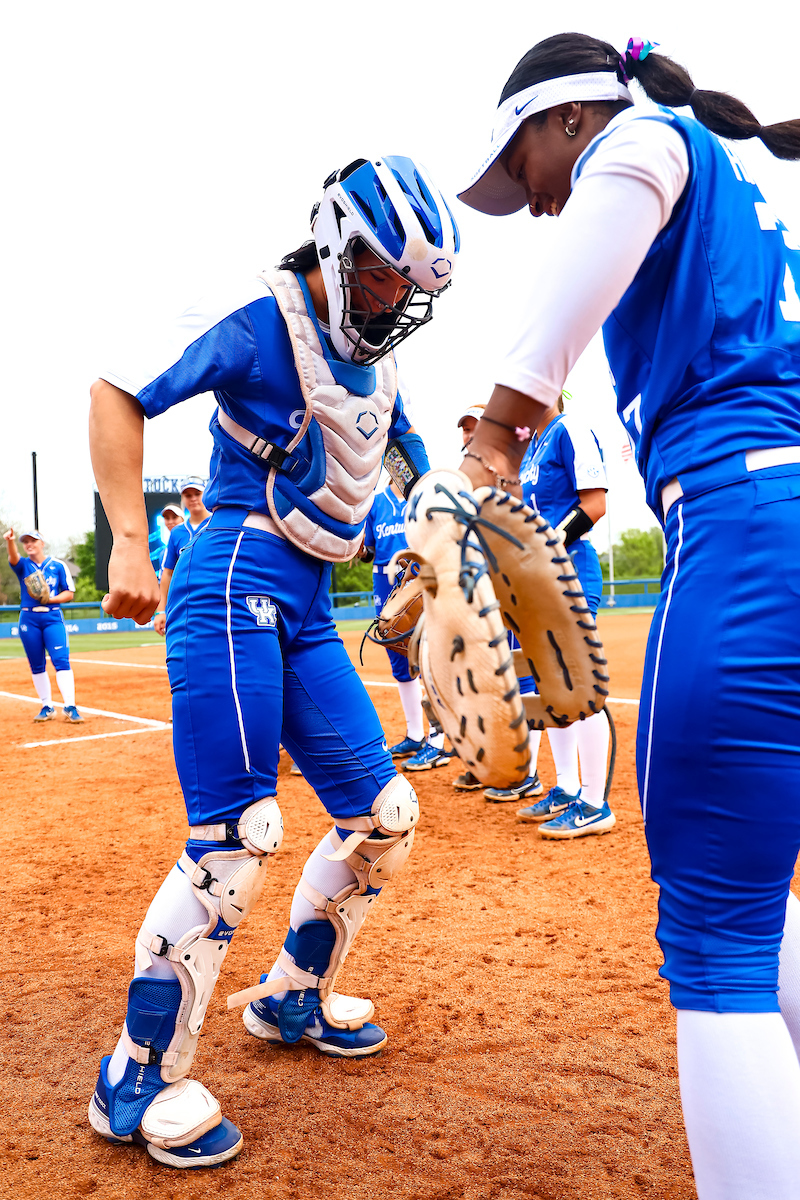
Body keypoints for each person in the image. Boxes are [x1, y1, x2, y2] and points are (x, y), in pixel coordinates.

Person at [457, 31, 800, 1200]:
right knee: (755, 890)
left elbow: (577, 274)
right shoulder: (752, 191)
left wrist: (497, 425)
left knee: (711, 939)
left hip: (752, 524)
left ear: (568, 120)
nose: (538, 203)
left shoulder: (646, 136)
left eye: (530, 172)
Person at [87, 154, 458, 1168]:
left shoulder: (377, 357)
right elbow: (117, 390)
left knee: (384, 822)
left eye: (407, 283)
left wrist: (414, 545)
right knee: (236, 835)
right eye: (381, 272)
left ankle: (292, 997)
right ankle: (136, 1077)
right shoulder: (258, 318)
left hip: (305, 599)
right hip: (231, 576)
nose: (392, 297)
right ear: (337, 247)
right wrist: (126, 539)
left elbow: (395, 461)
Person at [483, 394, 614, 837]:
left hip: (572, 571)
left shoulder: (570, 428)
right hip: (538, 581)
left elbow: (594, 504)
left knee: (579, 683)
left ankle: (596, 801)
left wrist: (547, 546)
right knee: (549, 686)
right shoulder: (534, 445)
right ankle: (568, 786)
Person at [362, 479, 446, 769]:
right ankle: (415, 734)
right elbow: (368, 550)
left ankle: (439, 740)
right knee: (397, 654)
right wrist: (357, 548)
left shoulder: (423, 496)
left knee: (428, 656)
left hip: (418, 582)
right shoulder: (376, 502)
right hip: (385, 585)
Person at [3, 528, 83, 723]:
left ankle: (70, 706)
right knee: (37, 664)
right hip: (29, 619)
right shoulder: (23, 565)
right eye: (26, 542)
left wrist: (50, 599)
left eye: (33, 541)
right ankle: (47, 706)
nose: (29, 544)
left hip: (52, 617)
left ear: (42, 543)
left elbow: (69, 593)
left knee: (61, 660)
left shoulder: (57, 565)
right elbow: (13, 557)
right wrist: (10, 541)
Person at [153, 480, 211, 635]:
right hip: (183, 603)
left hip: (213, 601)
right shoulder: (177, 532)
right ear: (183, 499)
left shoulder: (218, 524)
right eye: (188, 495)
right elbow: (167, 573)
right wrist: (161, 610)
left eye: (197, 494)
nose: (192, 498)